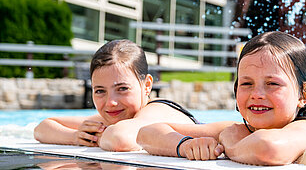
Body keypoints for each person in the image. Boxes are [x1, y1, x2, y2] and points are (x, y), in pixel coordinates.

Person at [137, 31, 306, 166]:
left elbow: (269, 148)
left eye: (272, 84)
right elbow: (146, 133)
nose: (256, 94)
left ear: (303, 95)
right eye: (247, 84)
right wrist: (186, 146)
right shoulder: (237, 130)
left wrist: (230, 147)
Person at [33, 39, 196, 150]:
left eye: (122, 89)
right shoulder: (121, 116)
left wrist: (96, 137)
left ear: (146, 86)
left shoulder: (157, 111)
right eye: (100, 91)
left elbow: (119, 138)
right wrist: (76, 137)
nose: (110, 102)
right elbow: (43, 128)